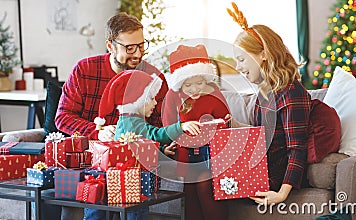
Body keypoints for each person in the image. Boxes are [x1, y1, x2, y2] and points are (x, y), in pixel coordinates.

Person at [54, 12, 169, 220]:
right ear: (110, 46)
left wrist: (164, 144)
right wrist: (97, 132)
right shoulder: (85, 70)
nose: (137, 54)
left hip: (134, 165)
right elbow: (63, 117)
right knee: (96, 202)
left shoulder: (154, 78)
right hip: (93, 160)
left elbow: (160, 124)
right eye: (129, 48)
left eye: (142, 46)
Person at [226, 2, 311, 206]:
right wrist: (237, 126)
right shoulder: (264, 93)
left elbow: (297, 148)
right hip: (258, 167)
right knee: (200, 170)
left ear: (263, 54)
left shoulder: (291, 93)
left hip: (272, 179)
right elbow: (263, 136)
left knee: (205, 180)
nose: (238, 67)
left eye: (242, 60)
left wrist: (281, 194)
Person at [92, 69, 202, 220]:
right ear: (136, 100)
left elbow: (141, 145)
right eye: (151, 98)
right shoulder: (132, 121)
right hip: (131, 178)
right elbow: (155, 134)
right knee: (137, 211)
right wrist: (180, 127)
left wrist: (162, 150)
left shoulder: (129, 120)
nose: (155, 103)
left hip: (128, 176)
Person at [162, 44, 230, 220]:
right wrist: (167, 145)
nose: (195, 89)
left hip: (212, 155)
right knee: (190, 192)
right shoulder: (173, 96)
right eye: (188, 85)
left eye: (199, 83)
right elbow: (168, 126)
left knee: (204, 184)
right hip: (186, 156)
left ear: (206, 78)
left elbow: (225, 124)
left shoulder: (214, 93)